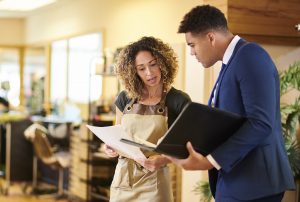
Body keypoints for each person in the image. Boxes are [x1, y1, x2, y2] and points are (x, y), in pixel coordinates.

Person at [166, 5, 295, 202]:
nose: (192, 53)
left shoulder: (250, 55)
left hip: (254, 182)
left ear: (210, 37)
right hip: (238, 179)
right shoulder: (231, 63)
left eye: (192, 45)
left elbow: (260, 122)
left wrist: (209, 161)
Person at [104, 36, 191, 202]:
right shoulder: (124, 98)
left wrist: (163, 159)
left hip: (155, 183)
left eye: (153, 64)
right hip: (123, 180)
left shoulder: (178, 101)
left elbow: (187, 148)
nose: (149, 73)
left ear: (163, 63)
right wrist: (109, 148)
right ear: (133, 71)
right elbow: (116, 136)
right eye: (141, 68)